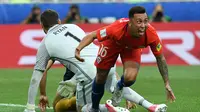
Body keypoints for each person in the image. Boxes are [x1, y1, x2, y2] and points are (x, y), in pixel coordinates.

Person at [23, 9, 168, 112]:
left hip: (84, 73)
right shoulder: (73, 26)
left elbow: (37, 76)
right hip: (103, 63)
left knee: (83, 109)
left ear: (42, 27)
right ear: (60, 21)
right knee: (112, 84)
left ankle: (109, 108)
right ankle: (151, 106)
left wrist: (30, 107)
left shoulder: (45, 43)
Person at [75, 6, 176, 112]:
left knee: (130, 78)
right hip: (112, 44)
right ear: (130, 22)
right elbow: (92, 35)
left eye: (145, 21)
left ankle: (119, 87)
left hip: (132, 49)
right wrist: (78, 49)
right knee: (101, 77)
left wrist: (167, 83)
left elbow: (160, 58)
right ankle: (94, 108)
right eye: (139, 22)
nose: (143, 26)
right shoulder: (116, 28)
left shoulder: (151, 33)